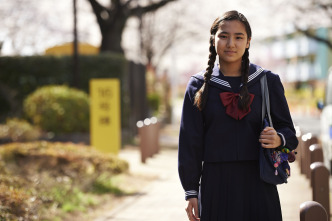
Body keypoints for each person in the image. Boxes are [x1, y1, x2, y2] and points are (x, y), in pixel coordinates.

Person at [178, 10, 298, 221]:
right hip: (215, 185)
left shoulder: (267, 81)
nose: (230, 43)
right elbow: (190, 144)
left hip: (260, 182)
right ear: (213, 39)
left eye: (238, 37)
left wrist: (278, 138)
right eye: (223, 36)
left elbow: (289, 132)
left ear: (248, 42)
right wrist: (191, 191)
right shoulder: (197, 86)